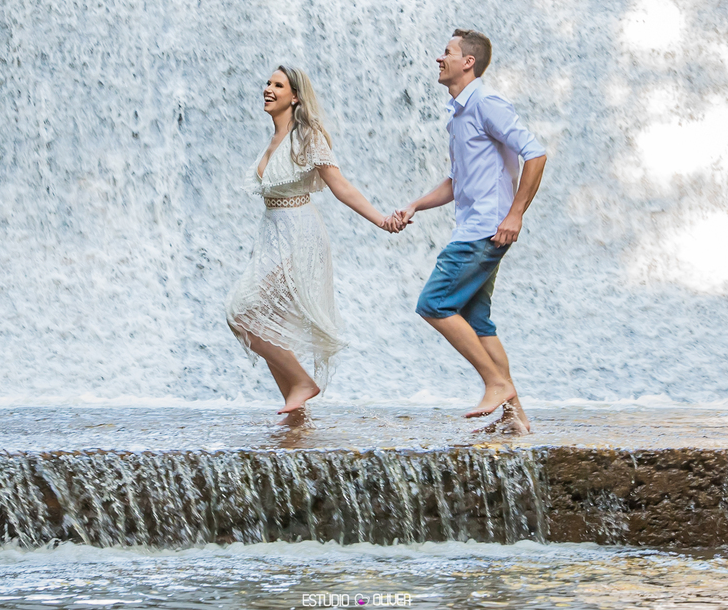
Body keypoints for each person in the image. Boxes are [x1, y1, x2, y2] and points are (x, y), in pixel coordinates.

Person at [389, 29, 546, 434]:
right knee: (478, 322)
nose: (439, 59)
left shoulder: (486, 103)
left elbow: (536, 153)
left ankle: (496, 384)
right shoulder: (458, 112)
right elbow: (457, 181)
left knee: (434, 303)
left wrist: (515, 214)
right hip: (476, 227)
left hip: (484, 231)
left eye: (447, 52)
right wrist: (415, 205)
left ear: (468, 62)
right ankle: (515, 418)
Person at [226, 65, 396, 424]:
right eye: (267, 83)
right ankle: (296, 416)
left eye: (278, 85)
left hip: (299, 233)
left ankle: (302, 383)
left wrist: (381, 220)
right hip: (272, 233)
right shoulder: (273, 138)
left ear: (295, 96)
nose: (268, 89)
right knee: (268, 320)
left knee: (241, 313)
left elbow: (341, 185)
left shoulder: (308, 136)